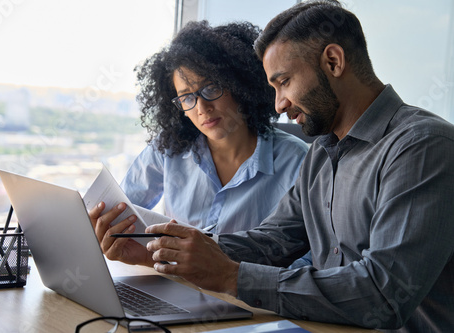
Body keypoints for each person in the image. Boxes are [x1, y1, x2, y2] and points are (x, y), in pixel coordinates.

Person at [90, 1, 454, 332]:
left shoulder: (423, 147)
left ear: (333, 62)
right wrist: (163, 253)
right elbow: (273, 242)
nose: (278, 104)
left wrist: (233, 278)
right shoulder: (323, 154)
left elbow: (383, 294)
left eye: (284, 82)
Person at [117, 20, 308, 234]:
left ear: (240, 85)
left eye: (211, 88)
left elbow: (310, 257)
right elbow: (121, 211)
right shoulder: (168, 149)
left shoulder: (297, 161)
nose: (201, 108)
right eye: (187, 97)